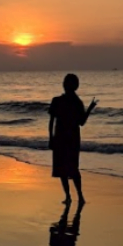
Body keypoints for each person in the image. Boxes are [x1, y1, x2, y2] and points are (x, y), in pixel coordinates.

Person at [48, 73, 97, 203]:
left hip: (69, 138)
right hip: (63, 138)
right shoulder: (58, 101)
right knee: (64, 169)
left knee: (71, 168)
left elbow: (81, 122)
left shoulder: (75, 102)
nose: (66, 85)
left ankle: (79, 196)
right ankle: (70, 196)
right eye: (66, 82)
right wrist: (51, 139)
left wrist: (89, 109)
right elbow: (52, 121)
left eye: (68, 82)